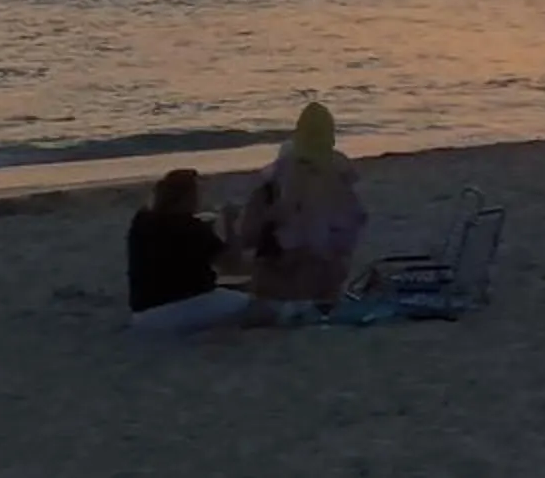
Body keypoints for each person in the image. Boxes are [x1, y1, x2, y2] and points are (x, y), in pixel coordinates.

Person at [234, 101, 368, 305]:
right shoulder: (342, 174)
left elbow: (247, 236)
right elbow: (352, 229)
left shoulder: (273, 179)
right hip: (325, 278)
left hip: (283, 279)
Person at [126, 168, 252, 336]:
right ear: (187, 198)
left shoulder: (141, 220)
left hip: (142, 314)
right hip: (182, 308)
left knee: (231, 290)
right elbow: (233, 265)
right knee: (255, 306)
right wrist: (230, 223)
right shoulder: (191, 228)